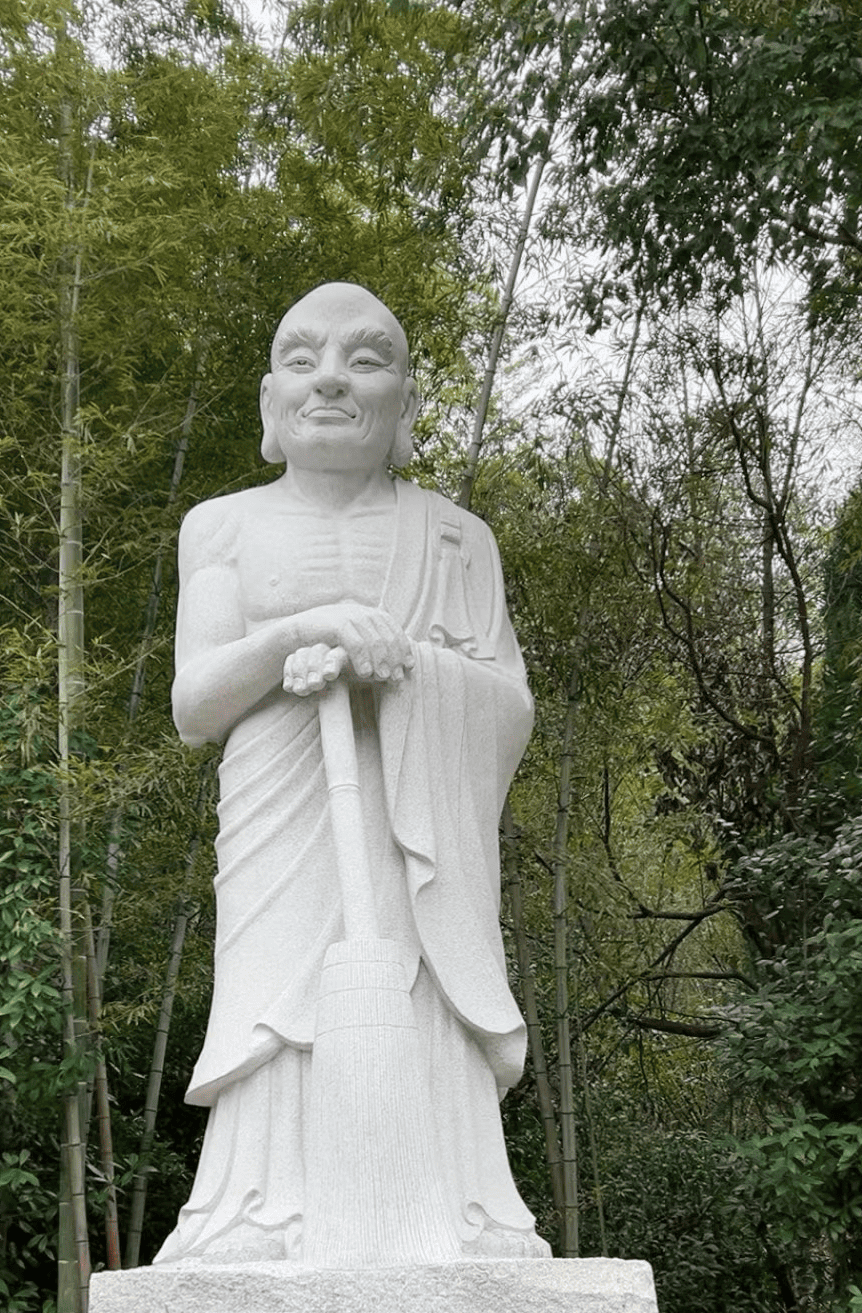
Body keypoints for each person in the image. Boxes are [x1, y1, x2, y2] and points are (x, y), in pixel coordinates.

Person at [156, 282, 548, 1263]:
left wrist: (408, 671)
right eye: (303, 358)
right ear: (270, 402)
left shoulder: (457, 538)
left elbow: (509, 703)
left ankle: (456, 1208)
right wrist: (299, 632)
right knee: (276, 1003)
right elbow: (196, 703)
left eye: (365, 359)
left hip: (413, 837)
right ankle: (261, 1210)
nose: (330, 377)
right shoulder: (223, 526)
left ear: (406, 405)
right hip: (281, 820)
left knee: (416, 994)